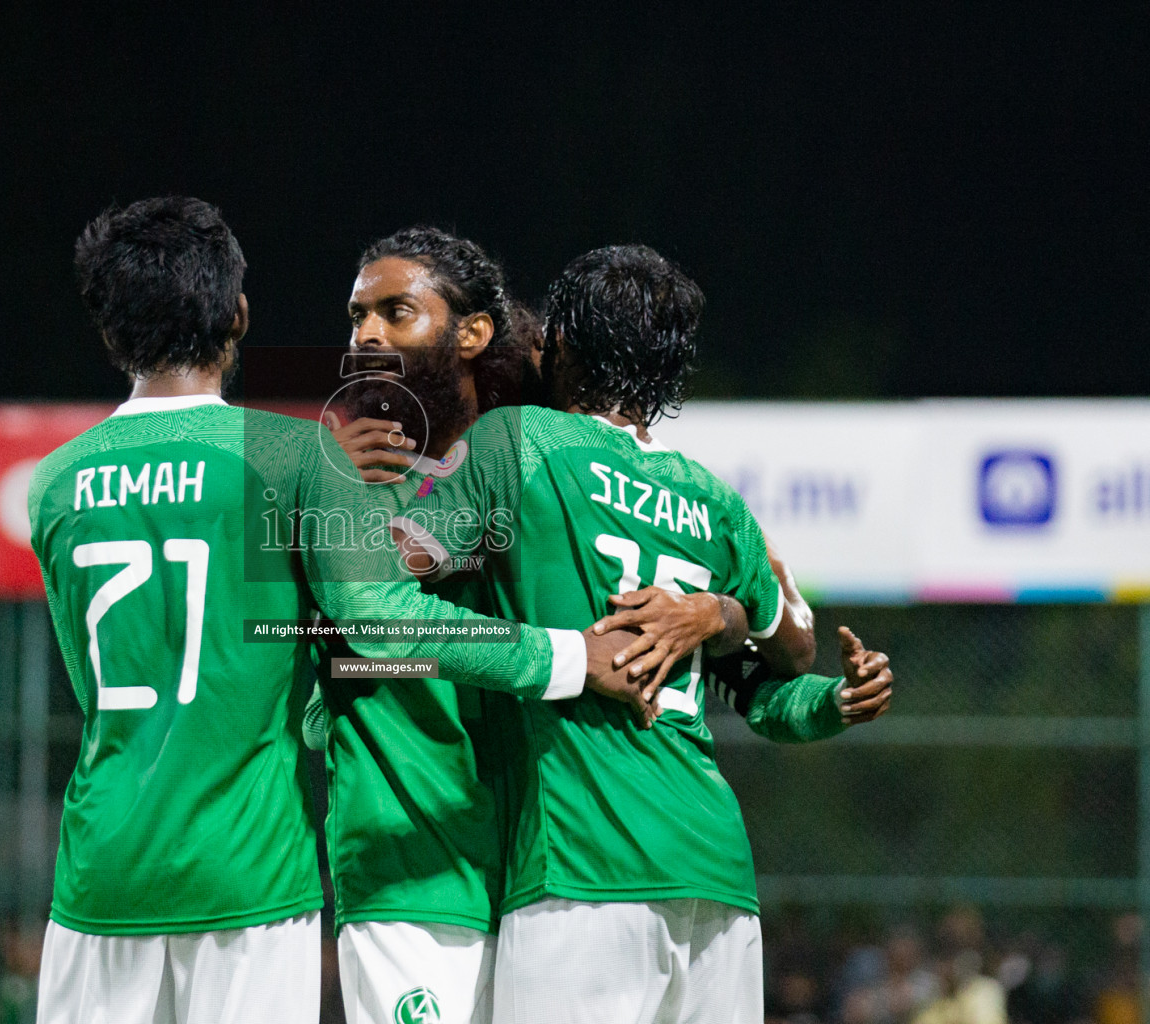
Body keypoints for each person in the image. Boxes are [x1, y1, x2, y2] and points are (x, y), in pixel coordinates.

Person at [27, 197, 645, 1024]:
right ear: (238, 313)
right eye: (363, 315)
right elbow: (373, 621)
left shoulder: (53, 482)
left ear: (106, 330)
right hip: (256, 872)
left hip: (99, 869)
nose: (369, 335)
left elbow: (102, 680)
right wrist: (571, 657)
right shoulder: (295, 456)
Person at [317, 228, 892, 1023]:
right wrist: (731, 617)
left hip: (582, 866)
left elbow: (381, 584)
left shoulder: (520, 444)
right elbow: (788, 654)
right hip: (718, 875)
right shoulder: (713, 500)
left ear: (554, 346)